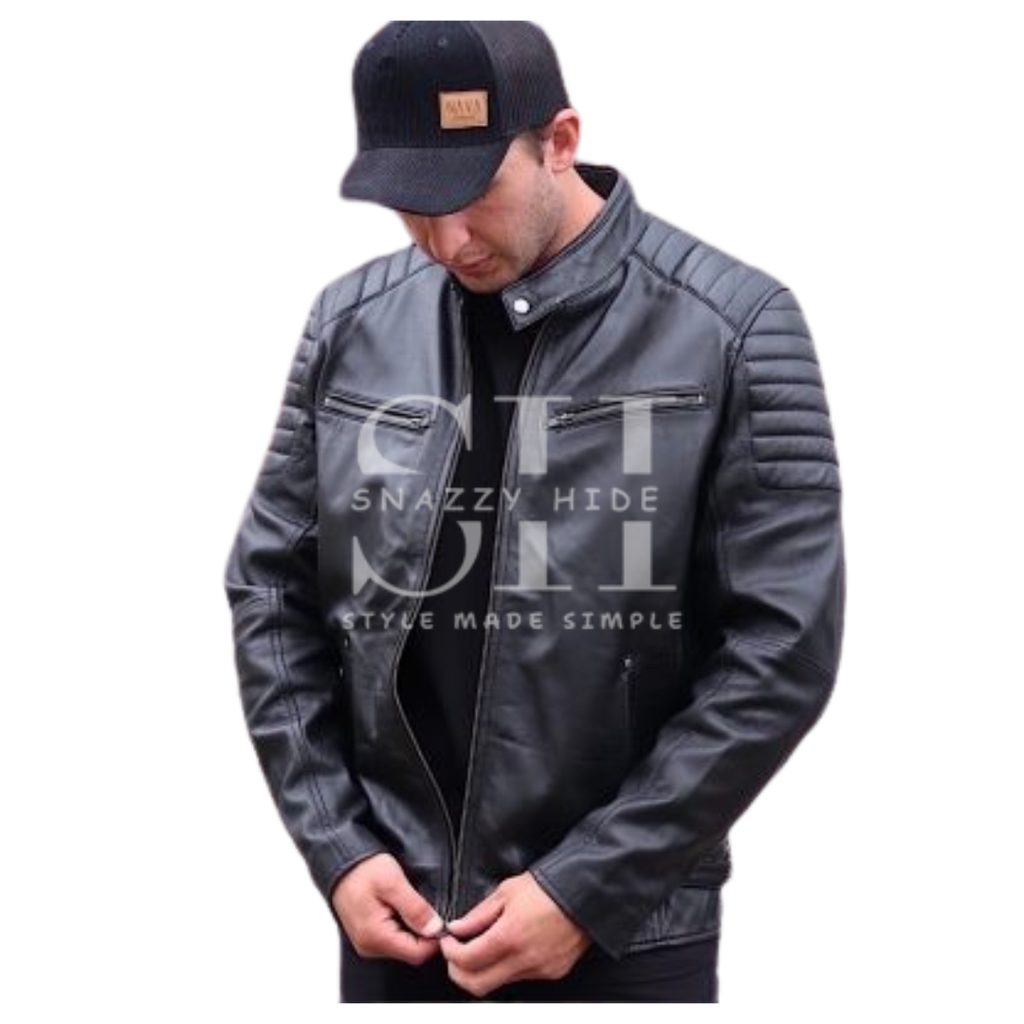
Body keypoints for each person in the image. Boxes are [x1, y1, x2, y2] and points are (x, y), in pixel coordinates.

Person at [225, 20, 845, 1003]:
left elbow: (782, 648)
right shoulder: (351, 324)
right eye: (413, 209)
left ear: (560, 140)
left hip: (625, 939)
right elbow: (270, 588)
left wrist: (588, 887)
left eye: (473, 195)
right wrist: (339, 845)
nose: (447, 242)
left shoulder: (732, 328)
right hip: (401, 928)